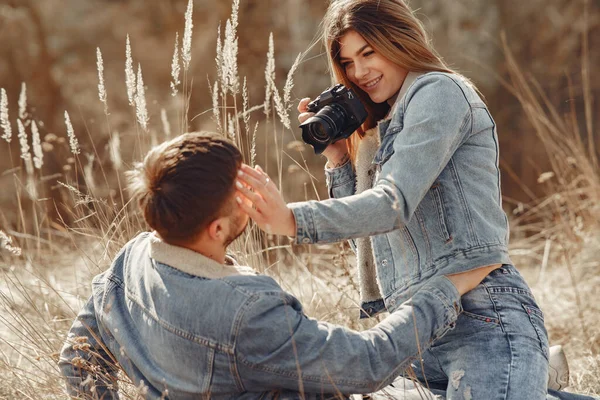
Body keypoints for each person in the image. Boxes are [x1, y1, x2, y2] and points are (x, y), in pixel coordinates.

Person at [234, 1, 595, 399]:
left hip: (481, 318)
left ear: (398, 39)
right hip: (414, 334)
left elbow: (391, 205)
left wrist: (290, 219)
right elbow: (369, 244)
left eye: (369, 52)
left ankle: (524, 365)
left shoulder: (439, 92)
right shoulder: (381, 129)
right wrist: (339, 159)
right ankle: (533, 381)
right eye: (348, 62)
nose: (360, 72)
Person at [58, 132, 489, 399]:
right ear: (217, 228)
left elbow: (77, 360)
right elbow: (366, 363)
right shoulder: (244, 311)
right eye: (241, 190)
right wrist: (447, 287)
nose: (255, 192)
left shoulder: (132, 259)